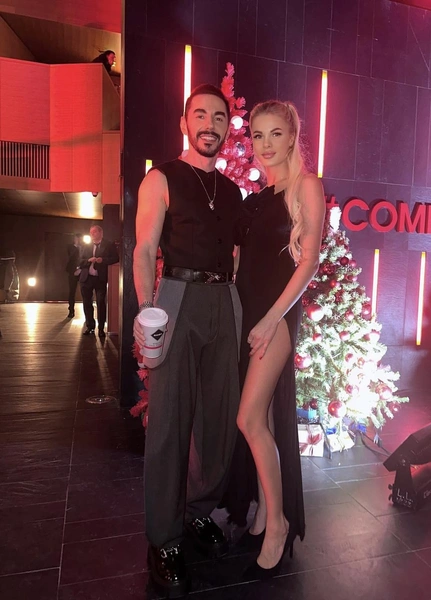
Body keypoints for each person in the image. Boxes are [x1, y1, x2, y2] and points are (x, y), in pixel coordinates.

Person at [132, 83, 243, 597]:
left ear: (226, 127)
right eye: (200, 114)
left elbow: (238, 256)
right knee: (170, 423)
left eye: (218, 117)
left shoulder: (233, 192)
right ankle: (163, 539)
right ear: (184, 122)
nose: (210, 125)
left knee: (218, 420)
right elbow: (144, 248)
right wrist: (147, 311)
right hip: (177, 297)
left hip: (226, 302)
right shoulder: (162, 177)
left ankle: (198, 511)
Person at [224, 100, 325, 579]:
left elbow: (308, 261)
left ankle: (279, 525)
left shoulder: (306, 186)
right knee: (260, 417)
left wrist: (270, 319)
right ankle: (265, 514)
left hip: (277, 317)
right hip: (249, 315)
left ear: (292, 137)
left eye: (275, 134)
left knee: (248, 418)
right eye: (258, 135)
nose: (265, 144)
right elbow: (242, 262)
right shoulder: (257, 198)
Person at [79, 225, 118, 336]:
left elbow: (115, 258)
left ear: (101, 232)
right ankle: (90, 326)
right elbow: (79, 261)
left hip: (100, 278)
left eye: (95, 232)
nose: (92, 234)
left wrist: (103, 260)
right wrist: (88, 260)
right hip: (86, 278)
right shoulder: (85, 245)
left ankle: (101, 328)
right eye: (91, 232)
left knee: (101, 302)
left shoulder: (109, 244)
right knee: (87, 303)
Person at [66, 233, 83, 319]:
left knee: (86, 292)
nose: (78, 240)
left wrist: (81, 269)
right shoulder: (70, 247)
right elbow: (70, 258)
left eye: (80, 238)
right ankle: (71, 310)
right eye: (77, 238)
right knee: (72, 291)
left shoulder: (84, 248)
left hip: (82, 271)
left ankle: (87, 314)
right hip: (72, 272)